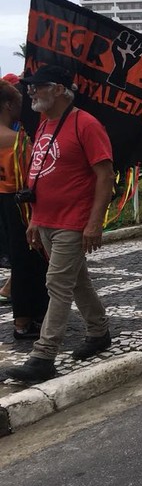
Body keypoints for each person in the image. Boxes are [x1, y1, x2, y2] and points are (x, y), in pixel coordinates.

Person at [4, 66, 114, 384]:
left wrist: (94, 224)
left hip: (73, 221)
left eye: (38, 87)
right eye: (30, 88)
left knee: (57, 285)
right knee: (77, 282)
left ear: (60, 90)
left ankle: (43, 355)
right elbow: (41, 173)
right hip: (47, 220)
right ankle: (99, 331)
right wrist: (35, 220)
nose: (31, 92)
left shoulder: (86, 124)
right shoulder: (43, 124)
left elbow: (105, 176)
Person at [0, 79, 48, 341]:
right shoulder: (18, 142)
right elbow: (34, 177)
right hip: (18, 206)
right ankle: (25, 321)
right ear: (8, 105)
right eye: (18, 102)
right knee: (29, 262)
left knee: (17, 263)